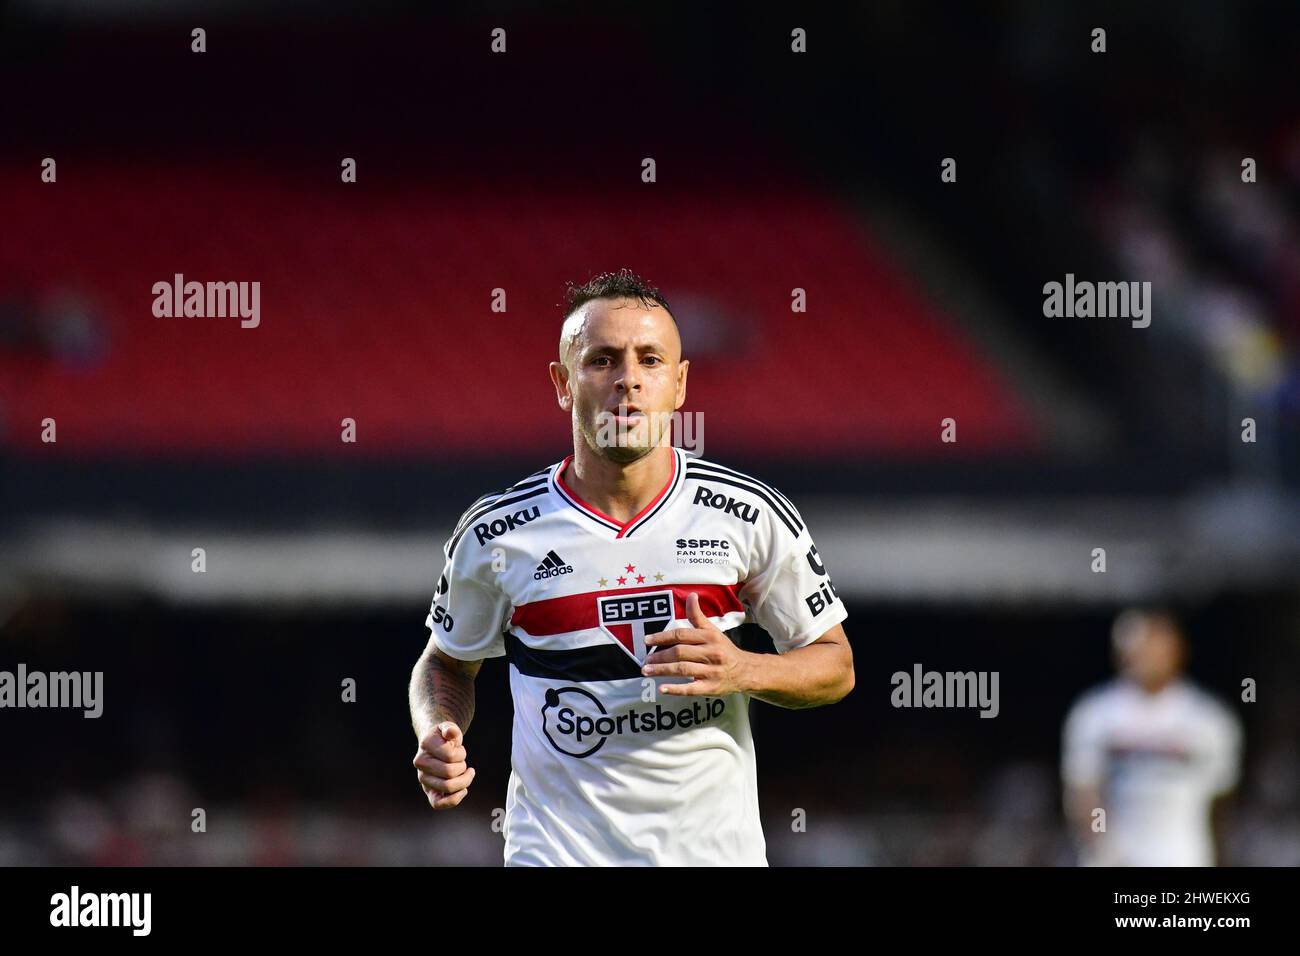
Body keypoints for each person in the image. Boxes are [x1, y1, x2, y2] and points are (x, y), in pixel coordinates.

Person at [408, 268, 854, 865]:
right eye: (602, 361)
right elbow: (446, 662)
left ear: (680, 384)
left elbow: (836, 666)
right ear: (563, 383)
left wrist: (745, 669)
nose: (628, 381)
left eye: (650, 361)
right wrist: (437, 730)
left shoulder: (747, 515)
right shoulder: (497, 533)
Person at [1062, 608, 1243, 866]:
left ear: (1177, 649)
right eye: (1136, 646)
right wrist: (1103, 849)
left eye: (1153, 645)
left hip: (1182, 856)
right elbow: (1083, 791)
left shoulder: (1209, 719)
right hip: (1116, 857)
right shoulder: (1095, 714)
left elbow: (1221, 801)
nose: (1144, 655)